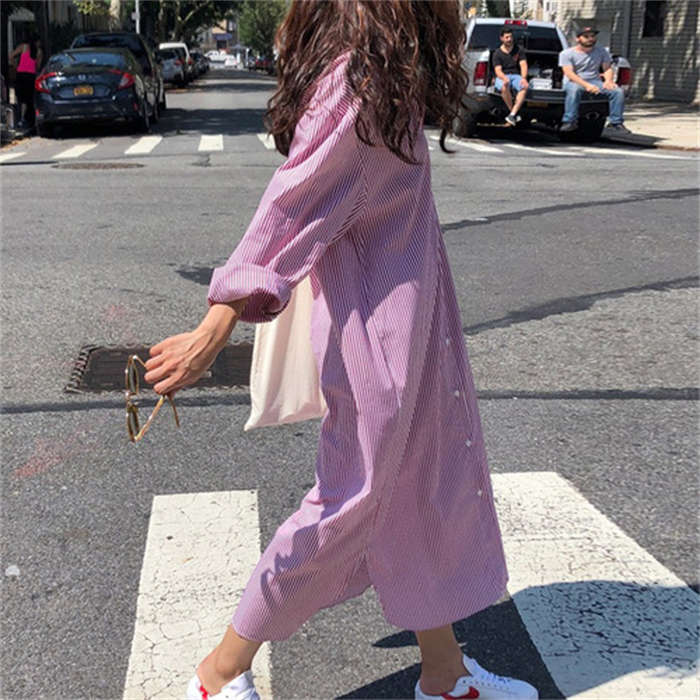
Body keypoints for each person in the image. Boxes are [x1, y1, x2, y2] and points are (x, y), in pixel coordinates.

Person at [143, 2, 539, 699]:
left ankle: (444, 675)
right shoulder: (360, 82)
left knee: (418, 489)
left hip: (412, 328)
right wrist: (219, 321)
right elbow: (292, 203)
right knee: (349, 502)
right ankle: (220, 671)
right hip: (376, 339)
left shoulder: (386, 74)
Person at [558, 26, 630, 134]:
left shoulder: (601, 51)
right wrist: (587, 86)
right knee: (575, 90)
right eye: (586, 36)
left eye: (592, 36)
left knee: (618, 92)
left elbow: (607, 68)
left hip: (595, 81)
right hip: (574, 82)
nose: (590, 39)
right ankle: (570, 121)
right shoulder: (566, 53)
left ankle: (616, 122)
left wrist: (608, 81)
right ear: (578, 39)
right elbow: (569, 73)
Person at [492, 27, 529, 127]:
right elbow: (498, 70)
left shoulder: (519, 50)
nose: (509, 39)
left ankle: (512, 115)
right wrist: (504, 78)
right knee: (504, 86)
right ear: (501, 38)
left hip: (516, 75)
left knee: (525, 86)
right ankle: (513, 113)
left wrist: (524, 78)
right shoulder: (497, 53)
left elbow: (523, 65)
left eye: (511, 37)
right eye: (507, 37)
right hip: (502, 76)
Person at [9, 31, 42, 131]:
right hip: (30, 76)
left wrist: (16, 66)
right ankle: (27, 119)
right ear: (37, 42)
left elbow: (11, 56)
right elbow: (38, 66)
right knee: (29, 98)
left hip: (21, 74)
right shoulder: (39, 51)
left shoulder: (23, 47)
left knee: (21, 97)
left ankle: (21, 118)